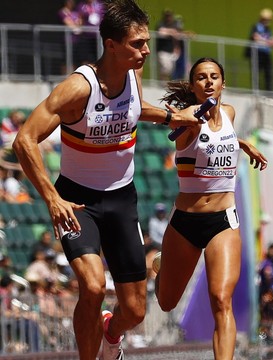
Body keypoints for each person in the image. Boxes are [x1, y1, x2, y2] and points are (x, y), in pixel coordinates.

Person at [12, 1, 200, 359]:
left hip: (121, 200)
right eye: (137, 43)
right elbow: (24, 140)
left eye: (146, 42)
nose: (146, 50)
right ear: (110, 45)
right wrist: (53, 199)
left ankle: (110, 337)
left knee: (135, 311)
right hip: (77, 203)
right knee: (94, 287)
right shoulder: (77, 89)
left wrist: (172, 117)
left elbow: (132, 109)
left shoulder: (133, 73)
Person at [152, 57, 267, 360]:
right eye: (201, 77)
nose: (208, 82)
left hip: (222, 220)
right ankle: (161, 268)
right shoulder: (187, 118)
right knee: (166, 302)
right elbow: (187, 128)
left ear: (223, 83)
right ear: (193, 86)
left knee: (221, 299)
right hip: (185, 223)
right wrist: (182, 118)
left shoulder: (229, 112)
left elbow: (220, 136)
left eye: (214, 76)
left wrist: (241, 143)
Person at [247, 8, 273, 91]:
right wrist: (268, 42)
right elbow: (255, 37)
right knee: (256, 73)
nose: (268, 21)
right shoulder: (256, 26)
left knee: (269, 73)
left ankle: (269, 92)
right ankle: (255, 91)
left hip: (266, 54)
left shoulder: (268, 29)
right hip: (257, 54)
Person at [155, 9, 183, 81]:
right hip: (162, 50)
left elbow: (177, 36)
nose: (168, 18)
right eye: (167, 16)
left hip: (171, 51)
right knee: (165, 67)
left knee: (170, 69)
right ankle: (162, 83)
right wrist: (171, 32)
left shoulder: (174, 25)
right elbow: (161, 32)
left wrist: (177, 48)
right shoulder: (161, 23)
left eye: (170, 16)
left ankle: (165, 82)